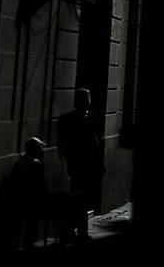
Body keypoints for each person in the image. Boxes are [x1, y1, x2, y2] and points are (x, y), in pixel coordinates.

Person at [57, 88, 104, 241]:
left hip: (89, 165)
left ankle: (77, 229)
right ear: (77, 100)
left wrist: (98, 161)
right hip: (78, 165)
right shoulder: (70, 118)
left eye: (89, 97)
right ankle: (73, 229)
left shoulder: (91, 116)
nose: (87, 101)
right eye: (84, 98)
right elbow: (66, 142)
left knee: (84, 197)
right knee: (77, 197)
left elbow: (95, 140)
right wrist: (70, 163)